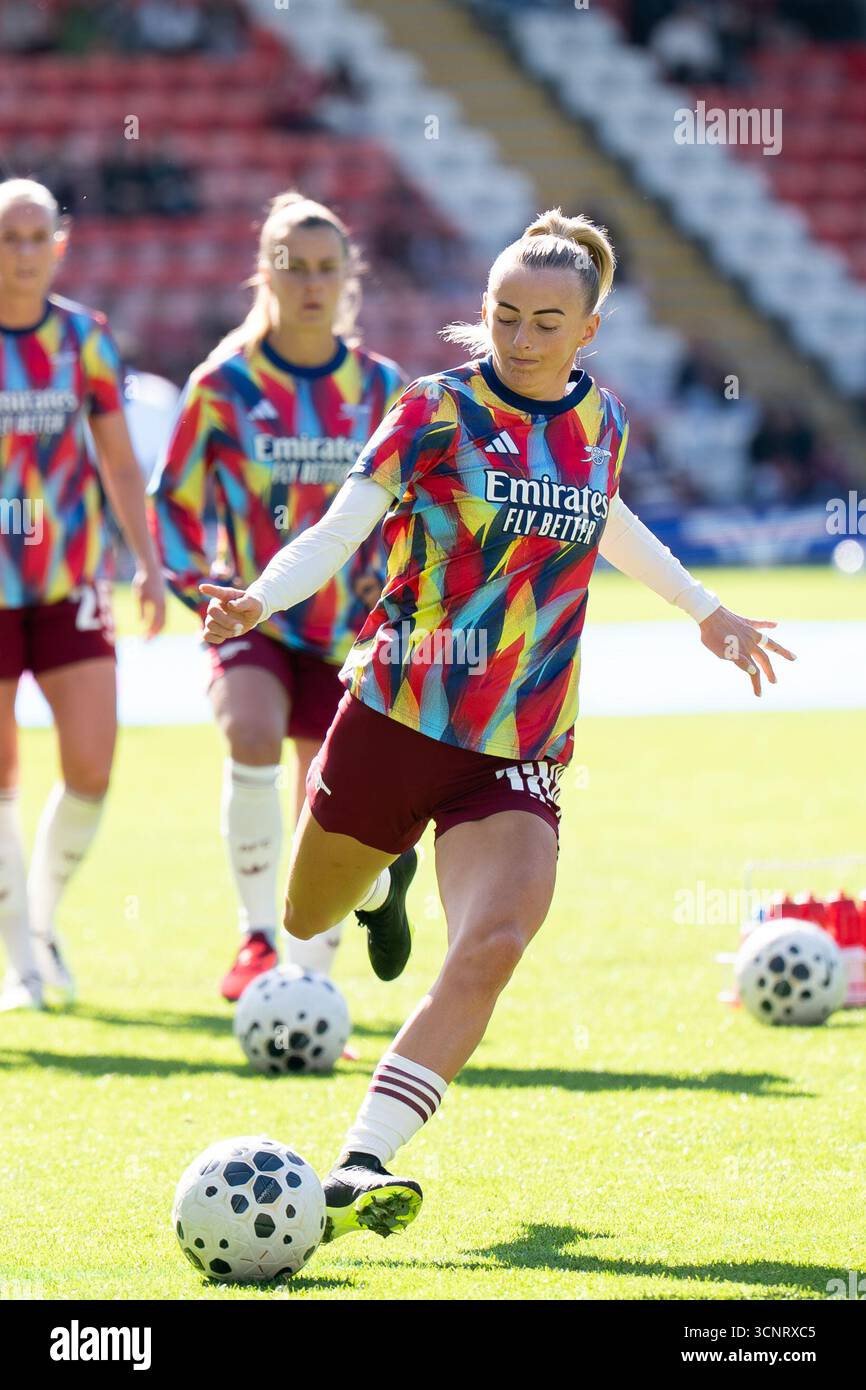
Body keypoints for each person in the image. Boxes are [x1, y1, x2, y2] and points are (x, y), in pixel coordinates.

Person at [201, 208, 796, 1240]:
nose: (520, 339)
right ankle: (383, 879)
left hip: (518, 742)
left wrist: (704, 610)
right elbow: (343, 526)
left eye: (545, 323)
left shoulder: (600, 422)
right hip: (395, 713)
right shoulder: (429, 410)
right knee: (304, 919)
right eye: (504, 317)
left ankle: (360, 1160)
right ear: (481, 313)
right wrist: (259, 598)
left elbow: (607, 518)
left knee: (496, 938)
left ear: (588, 331)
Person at [149, 192, 407, 1002]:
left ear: (349, 277)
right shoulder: (222, 384)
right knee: (253, 735)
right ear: (265, 273)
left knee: (329, 791)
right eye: (294, 267)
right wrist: (207, 600)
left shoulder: (385, 387)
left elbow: (417, 505)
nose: (312, 283)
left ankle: (313, 970)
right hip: (255, 618)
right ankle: (258, 940)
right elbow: (175, 504)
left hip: (354, 627)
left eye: (328, 268)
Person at [0, 178, 165, 1011]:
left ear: (59, 245)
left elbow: (119, 462)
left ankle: (40, 918)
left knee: (92, 767)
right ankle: (23, 969)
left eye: (37, 237)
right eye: (8, 237)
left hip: (70, 581)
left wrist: (148, 561)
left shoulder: (85, 339)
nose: (23, 252)